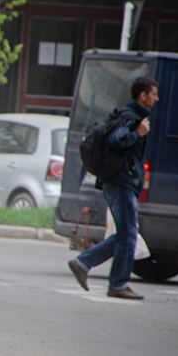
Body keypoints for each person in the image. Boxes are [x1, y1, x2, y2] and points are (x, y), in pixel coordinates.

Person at [68, 76, 159, 300]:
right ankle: (117, 283)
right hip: (121, 183)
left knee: (125, 235)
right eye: (153, 94)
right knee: (128, 235)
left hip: (120, 182)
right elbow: (116, 141)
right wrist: (138, 133)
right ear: (143, 95)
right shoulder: (132, 118)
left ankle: (83, 262)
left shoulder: (131, 116)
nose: (156, 98)